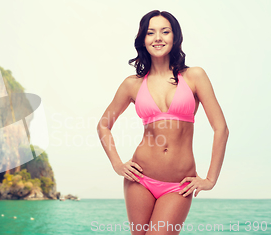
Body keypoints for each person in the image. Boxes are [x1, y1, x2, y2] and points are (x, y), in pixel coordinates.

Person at [97, 10, 229, 234]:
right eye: (151, 32)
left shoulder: (194, 76)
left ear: (175, 37)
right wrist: (118, 164)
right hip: (139, 179)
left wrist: (210, 179)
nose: (158, 37)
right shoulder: (132, 84)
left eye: (164, 31)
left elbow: (221, 129)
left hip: (179, 185)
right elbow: (103, 125)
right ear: (143, 40)